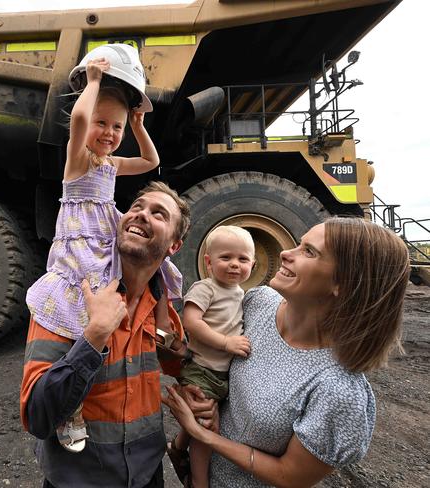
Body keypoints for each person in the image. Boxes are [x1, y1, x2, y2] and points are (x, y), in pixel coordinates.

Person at [163, 217, 410, 487]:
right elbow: (216, 363)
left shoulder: (339, 390)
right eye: (300, 244)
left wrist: (205, 435)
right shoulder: (258, 302)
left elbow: (290, 476)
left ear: (344, 283)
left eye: (309, 251)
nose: (284, 253)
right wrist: (205, 402)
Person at [25, 44, 183, 454]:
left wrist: (137, 123)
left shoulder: (111, 165)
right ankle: (69, 407)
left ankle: (164, 335)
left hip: (105, 251)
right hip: (81, 257)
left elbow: (150, 161)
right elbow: (79, 118)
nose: (109, 134)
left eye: (116, 128)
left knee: (157, 279)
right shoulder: (77, 161)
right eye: (102, 124)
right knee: (83, 319)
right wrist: (93, 82)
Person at [20, 182, 212, 488]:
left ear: (174, 246)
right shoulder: (67, 299)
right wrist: (94, 337)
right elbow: (37, 415)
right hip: (78, 481)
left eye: (158, 214)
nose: (141, 215)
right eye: (137, 207)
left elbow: (181, 369)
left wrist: (194, 394)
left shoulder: (163, 310)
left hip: (148, 475)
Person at [167, 226, 255, 488]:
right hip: (202, 370)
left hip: (220, 373)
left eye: (242, 259)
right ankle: (199, 481)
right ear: (208, 262)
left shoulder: (241, 294)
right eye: (225, 258)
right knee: (206, 429)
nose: (234, 265)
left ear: (253, 263)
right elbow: (191, 323)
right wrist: (226, 342)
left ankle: (177, 447)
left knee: (200, 421)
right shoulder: (206, 288)